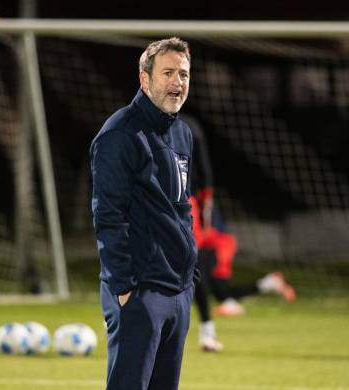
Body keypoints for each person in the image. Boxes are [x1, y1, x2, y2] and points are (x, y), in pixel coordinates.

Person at [90, 37, 198, 390]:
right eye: (167, 72)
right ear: (144, 79)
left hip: (177, 291)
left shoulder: (182, 133)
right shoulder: (120, 134)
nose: (177, 82)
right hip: (140, 292)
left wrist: (188, 279)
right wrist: (124, 288)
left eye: (183, 74)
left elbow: (183, 208)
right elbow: (109, 216)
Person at [181, 114, 296, 353]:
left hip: (212, 236)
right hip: (187, 218)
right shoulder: (153, 126)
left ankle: (207, 332)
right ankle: (268, 284)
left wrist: (204, 213)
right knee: (210, 285)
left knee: (209, 282)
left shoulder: (187, 127)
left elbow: (205, 174)